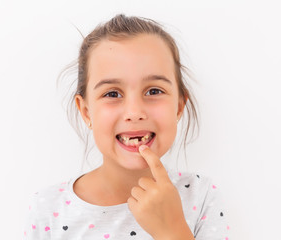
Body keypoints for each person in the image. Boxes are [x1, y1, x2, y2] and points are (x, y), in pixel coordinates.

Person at [23, 14, 230, 240]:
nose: (134, 113)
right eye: (112, 94)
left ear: (179, 107)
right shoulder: (49, 210)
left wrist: (172, 231)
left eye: (154, 91)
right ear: (86, 111)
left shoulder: (199, 197)